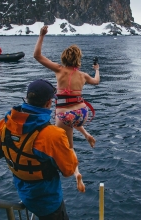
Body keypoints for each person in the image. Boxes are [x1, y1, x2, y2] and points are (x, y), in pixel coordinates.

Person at [0, 79, 78, 219]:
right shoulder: (52, 135)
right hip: (49, 202)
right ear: (48, 103)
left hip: (24, 194)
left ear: (27, 99)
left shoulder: (4, 124)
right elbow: (69, 170)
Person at [33, 25, 100, 193]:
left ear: (64, 58)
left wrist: (41, 35)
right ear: (78, 59)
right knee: (73, 119)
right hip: (83, 113)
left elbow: (37, 56)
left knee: (69, 147)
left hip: (64, 116)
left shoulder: (59, 69)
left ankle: (77, 173)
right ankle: (86, 134)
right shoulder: (83, 75)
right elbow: (96, 81)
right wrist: (97, 70)